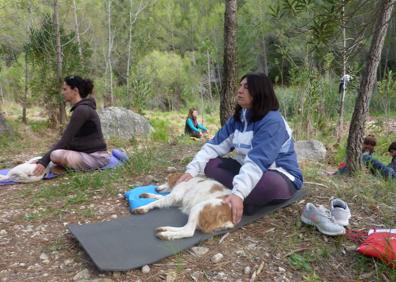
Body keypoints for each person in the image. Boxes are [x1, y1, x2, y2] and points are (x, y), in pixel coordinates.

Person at [177, 73, 303, 225]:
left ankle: (240, 195)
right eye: (240, 85)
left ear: (260, 92)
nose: (240, 90)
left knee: (268, 185)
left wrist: (238, 193)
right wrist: (192, 170)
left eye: (247, 87)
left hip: (279, 174)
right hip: (247, 167)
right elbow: (213, 146)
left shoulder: (272, 121)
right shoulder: (238, 119)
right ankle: (247, 198)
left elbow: (258, 161)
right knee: (209, 164)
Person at [33, 75, 110, 176]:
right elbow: (70, 142)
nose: (63, 92)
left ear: (75, 90)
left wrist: (44, 162)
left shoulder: (82, 110)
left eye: (65, 89)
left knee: (55, 154)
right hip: (88, 154)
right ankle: (64, 168)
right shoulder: (81, 109)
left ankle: (67, 169)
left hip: (97, 158)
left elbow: (65, 141)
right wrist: (43, 159)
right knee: (52, 154)